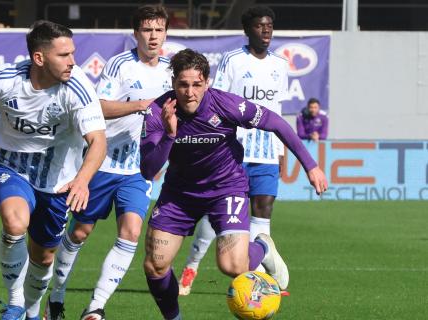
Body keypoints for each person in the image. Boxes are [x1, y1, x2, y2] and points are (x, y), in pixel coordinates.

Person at [140, 48, 327, 320]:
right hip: (179, 195)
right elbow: (148, 169)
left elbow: (277, 123)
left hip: (225, 189)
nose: (189, 92)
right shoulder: (158, 111)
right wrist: (170, 135)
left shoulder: (226, 105)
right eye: (183, 84)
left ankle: (262, 246)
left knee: (232, 265)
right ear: (173, 83)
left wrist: (311, 165)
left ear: (206, 83)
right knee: (155, 265)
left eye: (196, 84)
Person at [0, 21, 106, 320]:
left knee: (44, 256)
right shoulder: (3, 78)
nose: (73, 61)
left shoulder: (78, 87)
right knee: (14, 223)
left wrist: (83, 180)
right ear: (39, 58)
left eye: (73, 53)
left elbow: (98, 141)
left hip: (59, 180)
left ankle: (32, 312)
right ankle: (13, 305)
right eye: (63, 55)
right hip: (10, 166)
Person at [44, 5, 172, 320]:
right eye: (146, 30)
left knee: (130, 231)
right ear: (136, 34)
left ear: (165, 33)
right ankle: (56, 298)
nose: (152, 36)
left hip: (137, 168)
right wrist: (141, 105)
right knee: (79, 234)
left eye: (158, 30)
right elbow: (99, 106)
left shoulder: (172, 69)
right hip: (103, 163)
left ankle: (95, 308)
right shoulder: (119, 65)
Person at [179, 5, 289, 295]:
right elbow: (215, 101)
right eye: (259, 26)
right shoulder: (232, 60)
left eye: (269, 26)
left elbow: (278, 111)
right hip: (233, 151)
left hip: (266, 152)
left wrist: (281, 152)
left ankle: (256, 280)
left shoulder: (280, 65)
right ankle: (192, 265)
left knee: (262, 212)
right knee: (214, 215)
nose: (265, 31)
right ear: (247, 30)